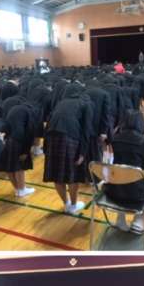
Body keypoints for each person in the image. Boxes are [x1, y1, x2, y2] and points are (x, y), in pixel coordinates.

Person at [103, 110, 144, 236]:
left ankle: (120, 219)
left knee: (122, 178)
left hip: (114, 191)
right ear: (141, 124)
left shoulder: (115, 139)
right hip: (135, 194)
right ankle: (139, 221)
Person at [43, 82, 93, 215]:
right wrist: (83, 153)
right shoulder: (85, 103)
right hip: (70, 137)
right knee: (73, 175)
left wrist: (45, 146)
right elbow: (86, 130)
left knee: (56, 175)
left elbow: (49, 123)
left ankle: (66, 204)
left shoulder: (60, 103)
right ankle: (74, 205)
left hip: (52, 137)